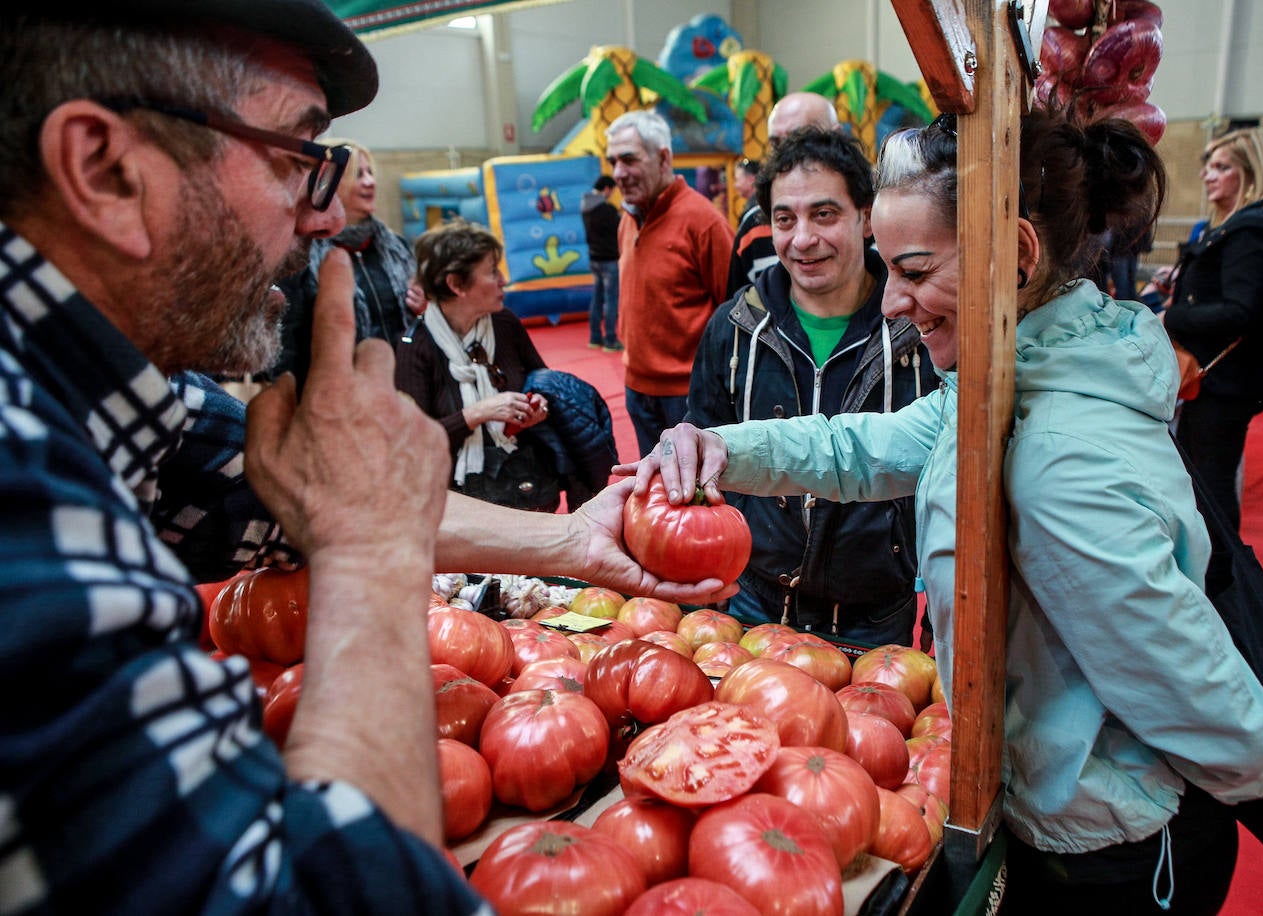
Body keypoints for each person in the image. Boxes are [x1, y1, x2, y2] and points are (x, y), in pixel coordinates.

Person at [0, 3, 732, 911]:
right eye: (295, 160)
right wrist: (372, 553)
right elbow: (327, 893)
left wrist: (572, 542)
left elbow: (285, 489)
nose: (323, 217)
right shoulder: (22, 494)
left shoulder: (101, 393)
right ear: (105, 172)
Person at [627, 110, 1263, 914]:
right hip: (1074, 809)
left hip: (1114, 847)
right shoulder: (1009, 378)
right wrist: (719, 447)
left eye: (913, 270)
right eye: (889, 269)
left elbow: (1188, 686)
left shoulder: (1053, 458)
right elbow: (857, 447)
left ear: (1017, 254)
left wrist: (1247, 775)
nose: (890, 303)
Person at [685, 127, 938, 646]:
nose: (802, 239)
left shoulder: (921, 329)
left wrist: (946, 607)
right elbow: (700, 467)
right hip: (754, 601)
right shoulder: (735, 328)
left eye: (824, 214)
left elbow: (954, 479)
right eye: (785, 219)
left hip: (876, 613)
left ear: (866, 218)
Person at [1161, 127, 1263, 531]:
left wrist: (1174, 317)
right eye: (1209, 166)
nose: (1207, 175)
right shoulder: (1243, 227)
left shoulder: (1251, 231)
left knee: (1210, 485)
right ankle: (1216, 561)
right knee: (1203, 480)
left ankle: (1222, 565)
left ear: (1251, 173)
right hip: (1219, 378)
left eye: (1221, 167)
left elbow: (1241, 311)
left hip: (1223, 380)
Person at [394, 219, 564, 512]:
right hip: (455, 503)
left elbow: (544, 384)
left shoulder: (505, 323)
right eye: (492, 271)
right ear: (456, 284)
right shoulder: (415, 347)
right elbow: (414, 441)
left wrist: (539, 408)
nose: (503, 280)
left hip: (524, 484)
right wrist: (477, 414)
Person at [605, 109, 732, 457]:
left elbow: (734, 311)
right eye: (613, 162)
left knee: (693, 485)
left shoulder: (704, 221)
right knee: (653, 483)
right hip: (637, 387)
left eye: (629, 159)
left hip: (687, 395)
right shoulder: (627, 219)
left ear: (663, 158)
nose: (618, 173)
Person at [274, 137, 420, 383]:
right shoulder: (302, 257)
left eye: (370, 172)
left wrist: (425, 309)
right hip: (340, 387)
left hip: (405, 381)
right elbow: (288, 343)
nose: (370, 182)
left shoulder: (396, 247)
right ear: (328, 183)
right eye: (358, 174)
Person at [726, 92, 842, 297]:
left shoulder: (875, 218)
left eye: (801, 141)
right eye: (776, 144)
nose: (786, 156)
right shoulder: (755, 224)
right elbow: (739, 308)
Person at [580, 174, 623, 351]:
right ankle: (610, 339)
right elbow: (620, 230)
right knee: (611, 300)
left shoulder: (585, 207)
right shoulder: (607, 210)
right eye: (611, 191)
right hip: (609, 259)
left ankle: (595, 337)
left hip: (594, 258)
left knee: (597, 298)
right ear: (606, 189)